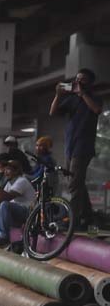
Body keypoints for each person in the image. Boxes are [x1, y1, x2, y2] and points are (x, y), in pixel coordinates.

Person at [50, 68, 104, 228]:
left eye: (83, 80)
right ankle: (88, 215)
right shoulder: (72, 100)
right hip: (70, 147)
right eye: (77, 79)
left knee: (73, 184)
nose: (78, 82)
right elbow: (52, 112)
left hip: (83, 147)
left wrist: (82, 94)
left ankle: (72, 221)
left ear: (90, 83)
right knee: (76, 183)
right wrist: (58, 95)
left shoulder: (94, 97)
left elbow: (96, 109)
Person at [0, 159, 36, 246]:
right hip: (16, 212)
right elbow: (1, 197)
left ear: (16, 171)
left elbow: (7, 197)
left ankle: (3, 237)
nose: (6, 172)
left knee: (4, 204)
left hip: (28, 213)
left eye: (8, 169)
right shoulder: (9, 183)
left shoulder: (22, 181)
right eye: (5, 169)